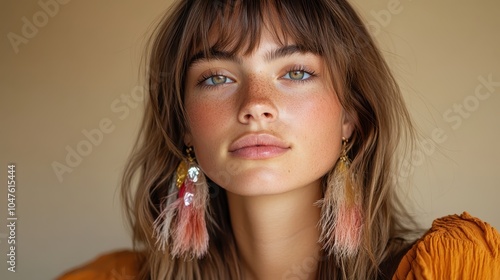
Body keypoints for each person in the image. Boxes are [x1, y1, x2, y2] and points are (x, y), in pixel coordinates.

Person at [58, 0, 500, 279]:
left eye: (296, 72)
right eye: (216, 77)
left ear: (350, 116)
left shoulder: (451, 269)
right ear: (184, 125)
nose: (256, 104)